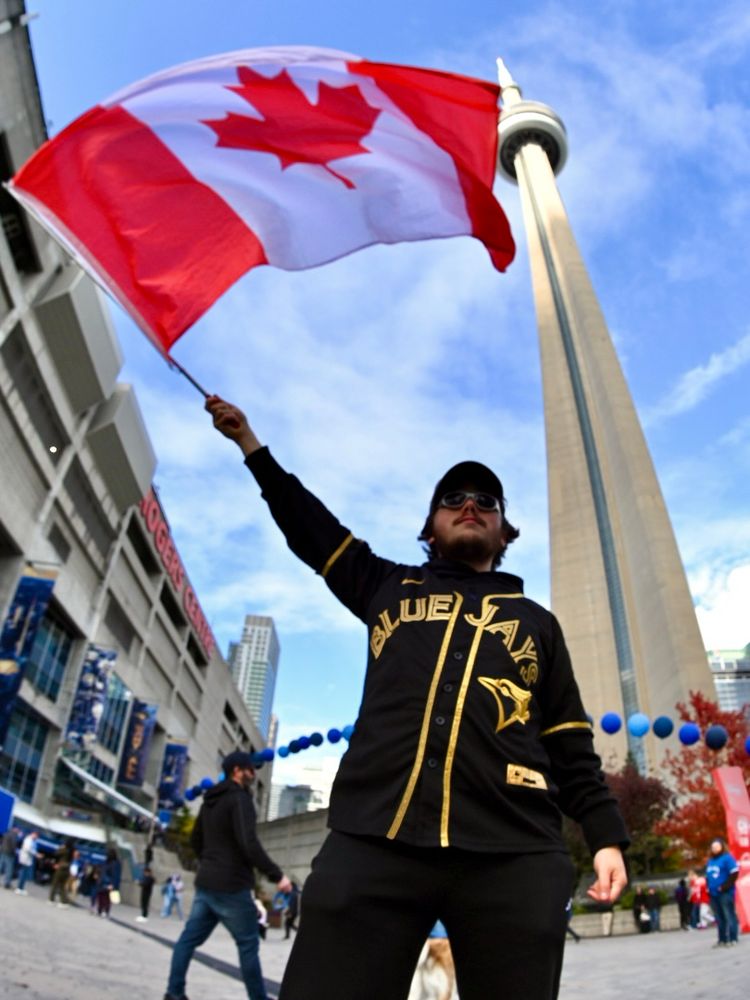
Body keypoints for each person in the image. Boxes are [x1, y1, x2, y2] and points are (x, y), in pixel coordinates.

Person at [205, 397, 629, 1000]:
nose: (470, 507)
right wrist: (251, 445)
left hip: (512, 851)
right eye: (453, 499)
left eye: (487, 502)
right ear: (430, 526)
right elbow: (310, 527)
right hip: (374, 839)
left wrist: (606, 835)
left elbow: (567, 739)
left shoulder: (539, 624)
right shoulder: (384, 586)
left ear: (504, 532)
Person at [164, 750, 291, 1000]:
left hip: (208, 882)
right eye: (250, 769)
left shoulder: (209, 800)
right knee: (248, 944)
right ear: (237, 771)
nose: (254, 774)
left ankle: (174, 993)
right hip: (231, 885)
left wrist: (209, 862)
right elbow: (248, 842)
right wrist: (278, 876)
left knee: (188, 940)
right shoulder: (239, 799)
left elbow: (195, 839)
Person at [705, 837, 739, 947]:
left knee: (729, 915)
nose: (714, 849)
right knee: (719, 917)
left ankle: (733, 937)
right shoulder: (710, 861)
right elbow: (708, 876)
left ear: (722, 847)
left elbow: (734, 873)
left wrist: (724, 887)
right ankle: (722, 939)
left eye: (717, 847)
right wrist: (707, 888)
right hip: (713, 893)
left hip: (725, 893)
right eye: (713, 847)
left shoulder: (727, 858)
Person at [95, 847, 122, 917]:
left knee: (106, 898)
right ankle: (101, 910)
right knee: (102, 897)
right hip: (103, 882)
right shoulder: (107, 862)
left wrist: (113, 884)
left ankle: (104, 911)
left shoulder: (114, 863)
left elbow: (116, 875)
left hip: (108, 882)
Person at [48, 838, 75, 907]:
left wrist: (61, 848)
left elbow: (56, 853)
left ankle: (51, 899)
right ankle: (63, 902)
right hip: (67, 869)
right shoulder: (71, 851)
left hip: (61, 868)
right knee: (62, 886)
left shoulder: (64, 850)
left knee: (55, 884)